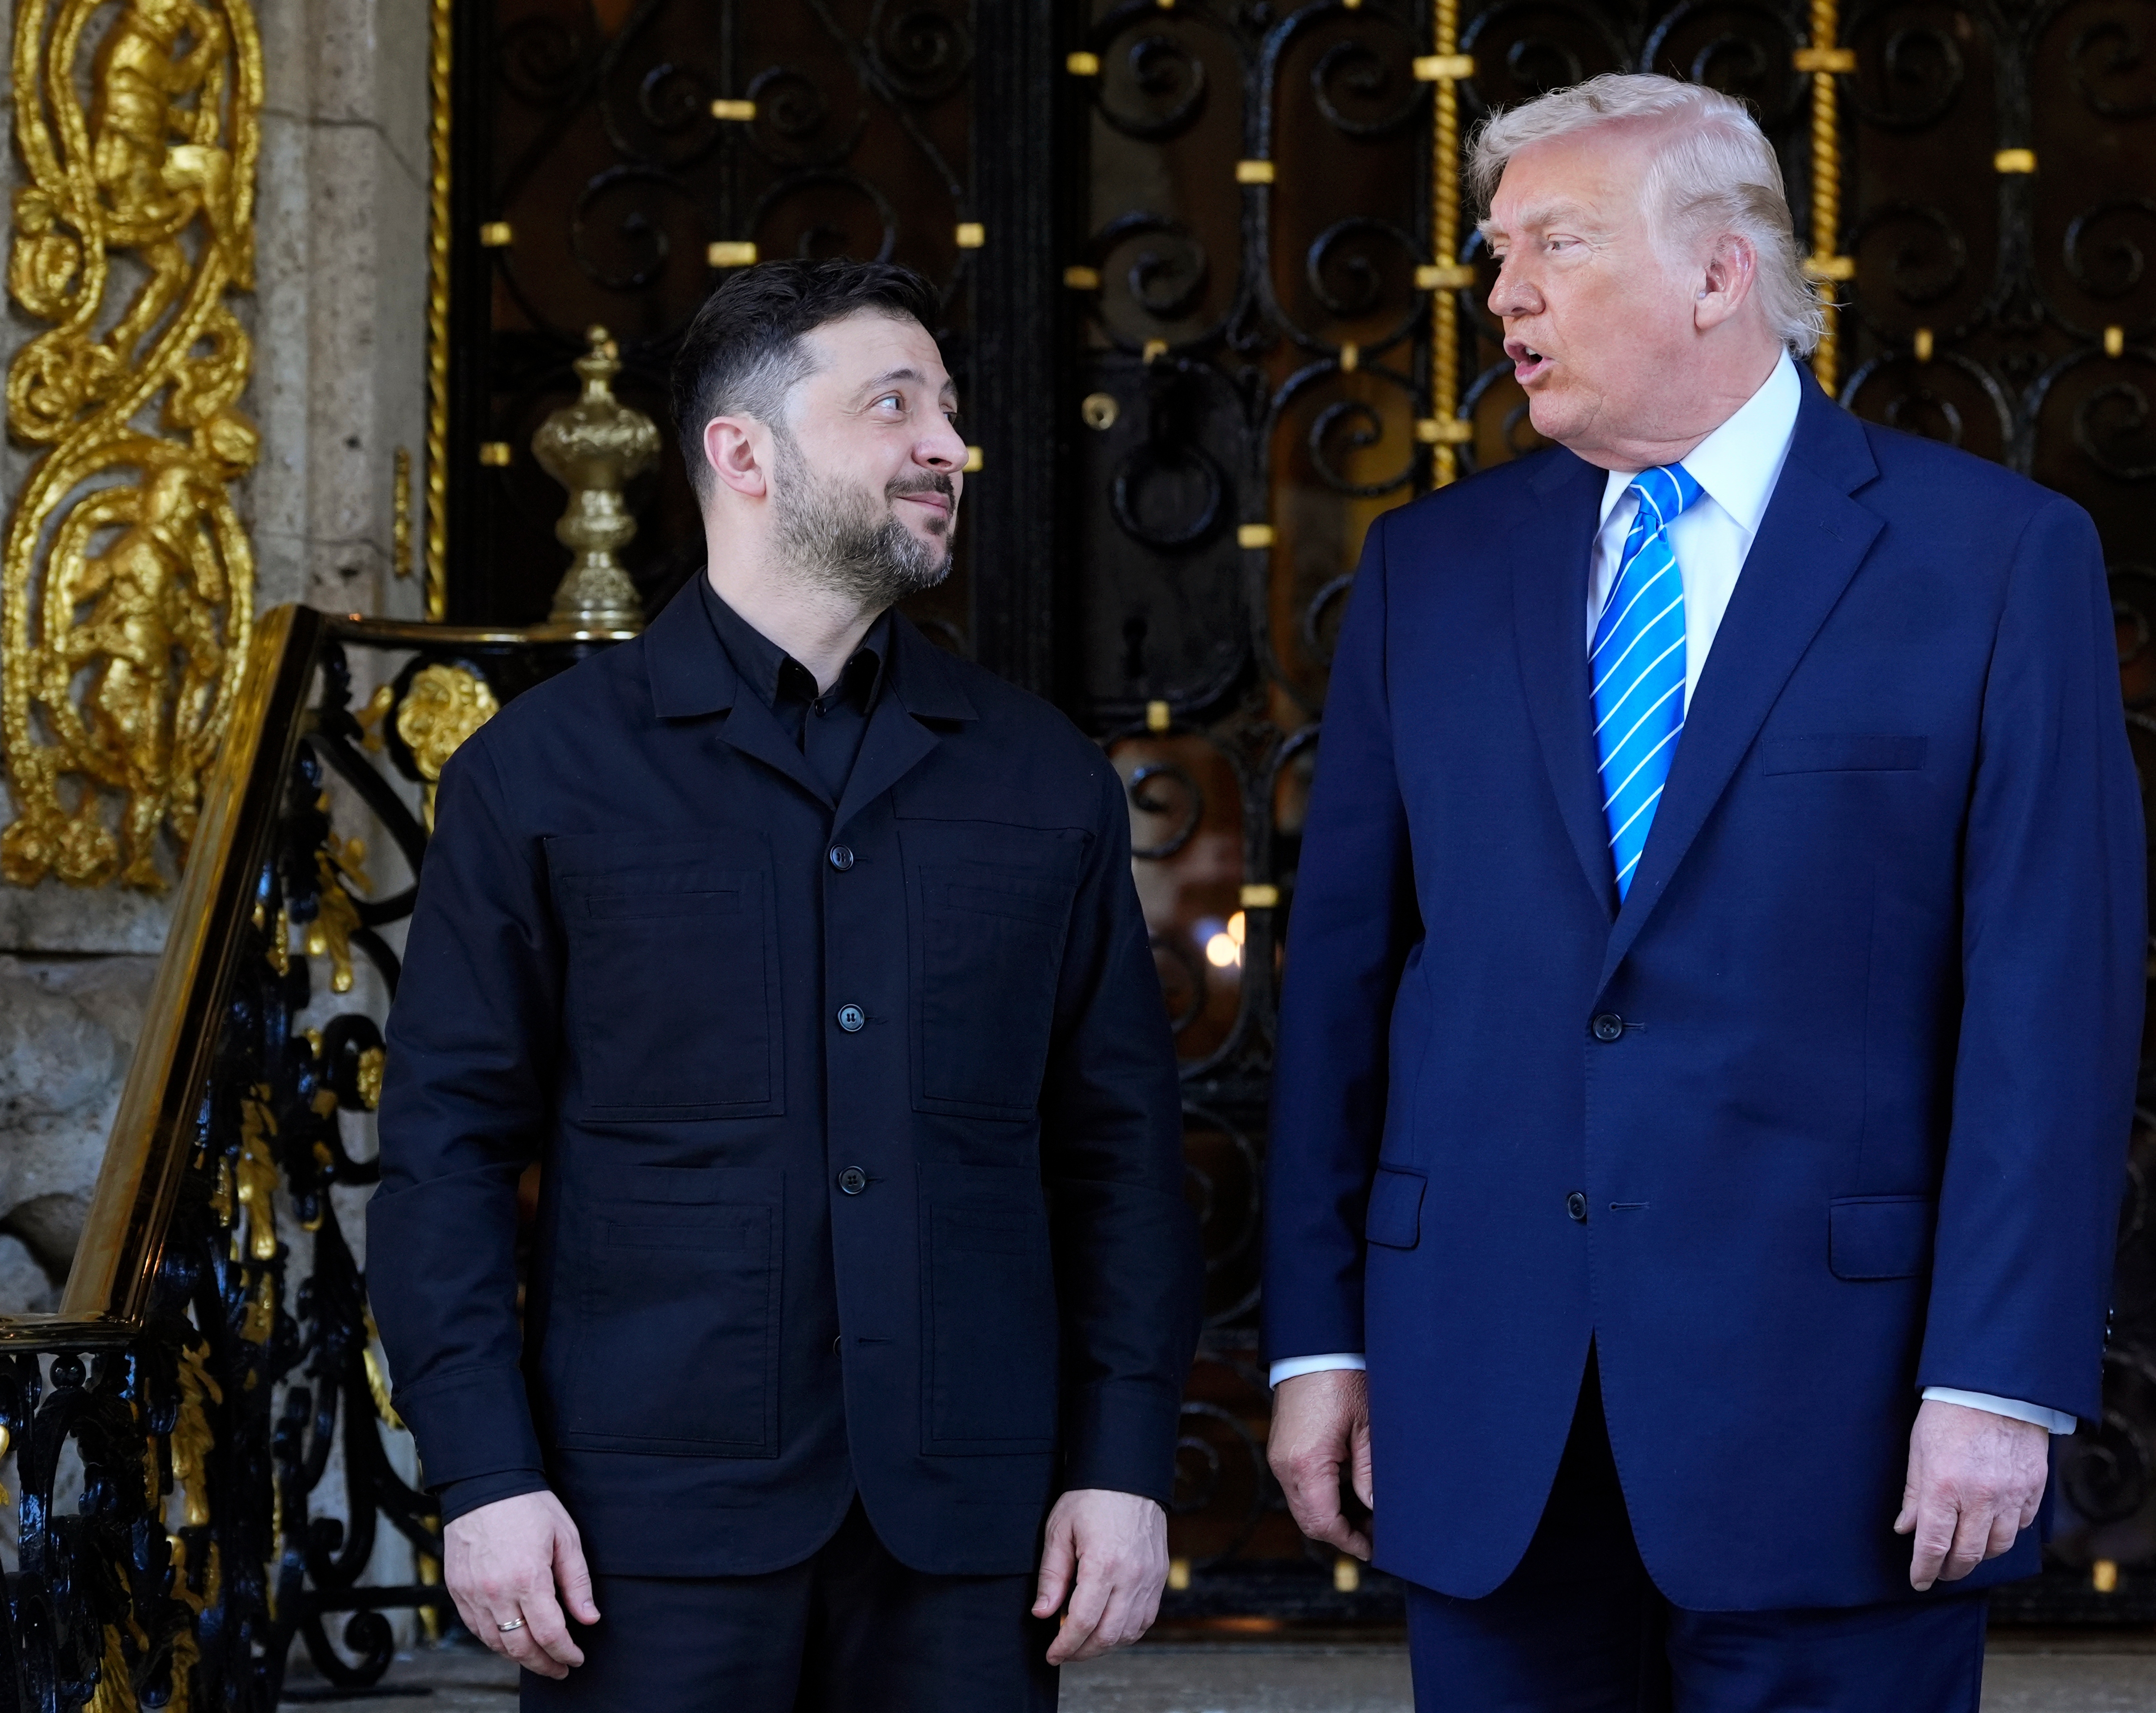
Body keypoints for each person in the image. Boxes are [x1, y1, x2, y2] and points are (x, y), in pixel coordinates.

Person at [1262, 72, 2143, 1712]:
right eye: (1493, 249)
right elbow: (1343, 986)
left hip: (1845, 1428)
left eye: (1554, 244)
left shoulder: (1994, 558)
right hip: (1482, 1413)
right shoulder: (1425, 571)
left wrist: (1997, 1380)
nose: (1501, 289)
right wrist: (1318, 1340)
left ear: (1719, 273)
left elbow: (2051, 1004)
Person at [368, 258, 1200, 1712]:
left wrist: (1121, 1462)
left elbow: (1120, 1154)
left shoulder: (1038, 771)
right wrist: (485, 1472)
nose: (946, 445)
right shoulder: (540, 774)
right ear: (741, 453)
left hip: (970, 1534)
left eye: (945, 408)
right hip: (640, 1536)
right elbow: (444, 1151)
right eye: (894, 405)